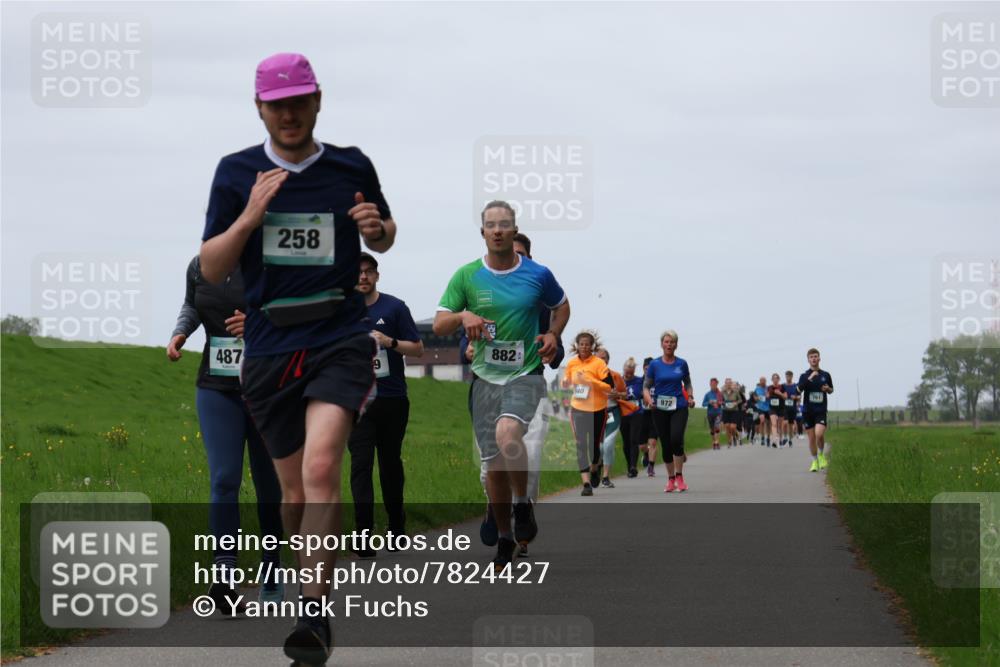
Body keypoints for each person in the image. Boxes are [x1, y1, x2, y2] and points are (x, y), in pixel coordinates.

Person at [199, 52, 396, 664]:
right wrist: (251, 216)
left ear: (317, 101)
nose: (288, 113)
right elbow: (211, 267)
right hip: (267, 347)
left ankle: (313, 613)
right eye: (276, 104)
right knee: (290, 495)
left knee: (319, 471)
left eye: (299, 100)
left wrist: (376, 229)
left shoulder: (350, 165)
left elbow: (385, 233)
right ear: (259, 108)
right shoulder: (236, 172)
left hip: (338, 335)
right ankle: (311, 591)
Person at [433, 200, 569, 569]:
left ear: (513, 230)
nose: (497, 230)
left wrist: (553, 334)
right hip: (484, 379)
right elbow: (440, 323)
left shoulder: (537, 274)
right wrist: (463, 315)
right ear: (482, 233)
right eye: (490, 225)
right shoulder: (467, 276)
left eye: (504, 224)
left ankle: (522, 505)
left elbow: (562, 305)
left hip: (525, 374)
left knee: (510, 435)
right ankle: (505, 538)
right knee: (493, 463)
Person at [167, 256, 284, 610]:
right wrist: (180, 333)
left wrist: (260, 325)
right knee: (223, 480)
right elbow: (192, 304)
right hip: (216, 386)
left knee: (269, 485)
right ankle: (224, 578)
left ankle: (272, 568)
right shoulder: (200, 265)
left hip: (268, 386)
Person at [463, 232, 565, 557]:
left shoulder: (539, 298)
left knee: (526, 455)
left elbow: (557, 349)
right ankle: (496, 509)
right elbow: (470, 339)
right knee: (489, 464)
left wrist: (550, 346)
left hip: (528, 386)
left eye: (518, 255)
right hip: (490, 388)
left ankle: (521, 525)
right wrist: (467, 346)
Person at [348, 252, 423, 558]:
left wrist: (390, 342)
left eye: (368, 272)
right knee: (360, 465)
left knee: (390, 464)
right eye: (357, 272)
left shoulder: (394, 307)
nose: (363, 277)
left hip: (392, 399)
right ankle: (363, 534)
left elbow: (417, 349)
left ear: (377, 276)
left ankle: (396, 526)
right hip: (356, 401)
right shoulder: (341, 311)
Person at [562, 331, 613, 496]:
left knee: (594, 446)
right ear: (577, 345)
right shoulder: (571, 363)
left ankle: (595, 468)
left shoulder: (598, 363)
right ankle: (585, 484)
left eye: (587, 344)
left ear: (592, 346)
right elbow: (567, 382)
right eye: (581, 344)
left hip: (597, 408)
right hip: (578, 408)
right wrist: (566, 384)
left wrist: (591, 382)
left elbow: (609, 386)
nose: (584, 347)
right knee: (581, 444)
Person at [643, 330, 694, 492]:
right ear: (661, 344)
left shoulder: (682, 364)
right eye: (666, 342)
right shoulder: (655, 365)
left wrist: (690, 397)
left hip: (679, 406)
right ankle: (671, 479)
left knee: (676, 438)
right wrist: (649, 400)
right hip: (659, 408)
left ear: (676, 345)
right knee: (665, 444)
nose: (669, 345)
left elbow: (688, 384)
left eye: (672, 342)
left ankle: (680, 476)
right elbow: (646, 387)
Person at [595, 348, 629, 487]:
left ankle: (606, 477)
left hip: (613, 413)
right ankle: (596, 470)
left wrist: (617, 395)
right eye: (598, 358)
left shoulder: (615, 376)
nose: (601, 360)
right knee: (599, 447)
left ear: (607, 361)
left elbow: (625, 395)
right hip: (596, 414)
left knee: (608, 444)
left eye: (604, 358)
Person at [797, 348, 834, 472]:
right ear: (808, 360)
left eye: (815, 356)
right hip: (808, 411)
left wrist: (827, 388)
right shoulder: (804, 375)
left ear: (819, 358)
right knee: (812, 438)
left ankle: (822, 455)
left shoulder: (826, 375)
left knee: (819, 434)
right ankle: (814, 461)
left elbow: (831, 390)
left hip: (820, 410)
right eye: (811, 357)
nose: (813, 358)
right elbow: (798, 390)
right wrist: (810, 378)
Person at [620, 357, 645, 477]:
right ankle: (629, 465)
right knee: (626, 442)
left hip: (636, 413)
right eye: (627, 373)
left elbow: (644, 392)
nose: (628, 375)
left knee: (633, 440)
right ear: (624, 370)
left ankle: (633, 466)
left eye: (631, 373)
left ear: (634, 372)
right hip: (623, 414)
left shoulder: (639, 381)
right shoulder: (619, 381)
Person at [640, 356, 659, 476]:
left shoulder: (659, 380)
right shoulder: (639, 381)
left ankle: (651, 467)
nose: (648, 371)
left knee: (653, 442)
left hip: (655, 414)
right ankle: (646, 454)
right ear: (643, 369)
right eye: (646, 368)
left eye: (650, 368)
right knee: (642, 446)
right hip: (642, 415)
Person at [766, 373, 788, 448]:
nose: (775, 380)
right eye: (774, 378)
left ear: (779, 379)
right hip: (772, 408)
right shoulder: (769, 387)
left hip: (781, 408)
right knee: (774, 423)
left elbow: (785, 397)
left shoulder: (782, 387)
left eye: (776, 378)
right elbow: (767, 396)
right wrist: (768, 396)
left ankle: (780, 440)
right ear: (772, 380)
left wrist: (780, 393)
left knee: (780, 425)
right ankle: (775, 440)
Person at [701, 378, 723, 450]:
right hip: (710, 413)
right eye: (712, 384)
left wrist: (719, 403)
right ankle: (714, 442)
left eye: (714, 384)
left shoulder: (720, 394)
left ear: (717, 384)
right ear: (710, 385)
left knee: (717, 427)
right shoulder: (707, 394)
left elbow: (724, 402)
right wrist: (709, 403)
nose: (713, 385)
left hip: (718, 413)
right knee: (712, 429)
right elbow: (703, 404)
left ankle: (717, 442)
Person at [720, 377, 742, 448]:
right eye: (727, 383)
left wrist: (736, 403)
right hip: (726, 411)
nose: (728, 384)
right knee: (727, 426)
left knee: (732, 427)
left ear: (731, 384)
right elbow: (720, 400)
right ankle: (729, 441)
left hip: (734, 411)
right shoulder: (722, 392)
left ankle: (736, 434)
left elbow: (740, 400)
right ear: (725, 384)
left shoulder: (735, 392)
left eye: (730, 383)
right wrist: (722, 402)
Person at [782, 370, 800, 447]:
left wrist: (795, 397)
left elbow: (799, 396)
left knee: (790, 425)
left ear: (792, 376)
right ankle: (785, 437)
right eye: (787, 376)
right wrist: (783, 396)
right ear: (785, 377)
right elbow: (779, 395)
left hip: (793, 407)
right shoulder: (783, 386)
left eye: (789, 376)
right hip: (784, 407)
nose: (788, 377)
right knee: (785, 423)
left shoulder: (795, 386)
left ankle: (790, 440)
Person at [753, 377, 770, 446]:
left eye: (764, 381)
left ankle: (768, 438)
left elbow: (769, 396)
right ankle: (762, 438)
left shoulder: (768, 388)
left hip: (768, 408)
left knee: (768, 424)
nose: (762, 382)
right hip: (760, 408)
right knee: (762, 421)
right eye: (761, 381)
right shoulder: (757, 389)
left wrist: (767, 395)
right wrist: (757, 398)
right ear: (759, 381)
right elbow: (754, 397)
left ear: (766, 381)